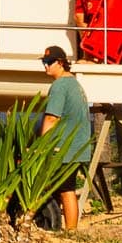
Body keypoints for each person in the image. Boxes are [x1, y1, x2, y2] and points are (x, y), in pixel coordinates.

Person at [39, 45, 92, 230]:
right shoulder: (74, 84)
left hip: (64, 149)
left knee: (65, 190)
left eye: (48, 62)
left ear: (60, 63)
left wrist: (41, 146)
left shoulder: (60, 85)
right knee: (64, 189)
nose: (45, 66)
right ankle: (67, 229)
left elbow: (52, 117)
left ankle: (71, 232)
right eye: (43, 62)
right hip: (77, 147)